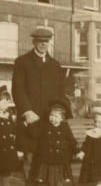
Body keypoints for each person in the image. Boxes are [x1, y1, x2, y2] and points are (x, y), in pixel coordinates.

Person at [11, 28, 65, 183]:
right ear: (34, 41)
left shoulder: (55, 65)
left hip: (50, 120)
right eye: (40, 41)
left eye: (46, 41)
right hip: (30, 120)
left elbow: (60, 92)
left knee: (48, 162)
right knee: (29, 158)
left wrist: (58, 112)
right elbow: (17, 88)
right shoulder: (22, 62)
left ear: (49, 42)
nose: (43, 44)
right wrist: (26, 111)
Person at [26, 99, 78, 186]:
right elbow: (35, 134)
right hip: (47, 158)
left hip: (60, 158)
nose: (52, 118)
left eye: (56, 116)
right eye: (51, 115)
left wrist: (77, 150)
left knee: (59, 180)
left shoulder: (65, 128)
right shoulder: (45, 126)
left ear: (62, 118)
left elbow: (71, 139)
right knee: (45, 179)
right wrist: (30, 125)